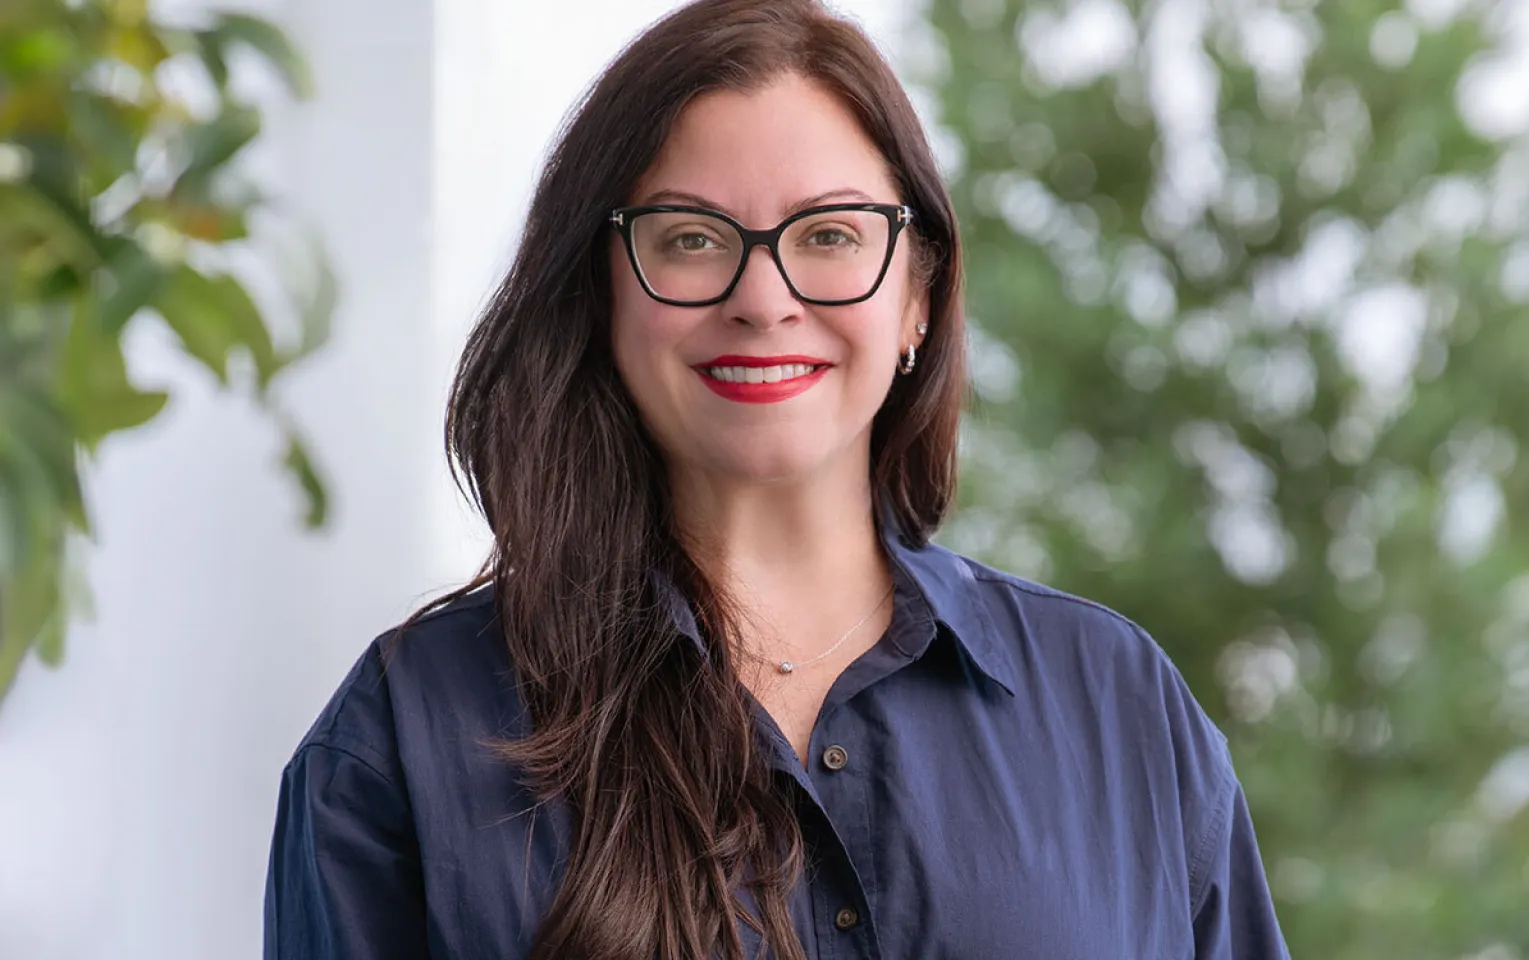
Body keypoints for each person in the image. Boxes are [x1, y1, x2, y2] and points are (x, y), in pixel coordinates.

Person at [264, 0, 1289, 956]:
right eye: (692, 240)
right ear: (604, 295)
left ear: (918, 299)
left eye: (831, 236)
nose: (763, 298)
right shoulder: (406, 733)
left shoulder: (1118, 705)